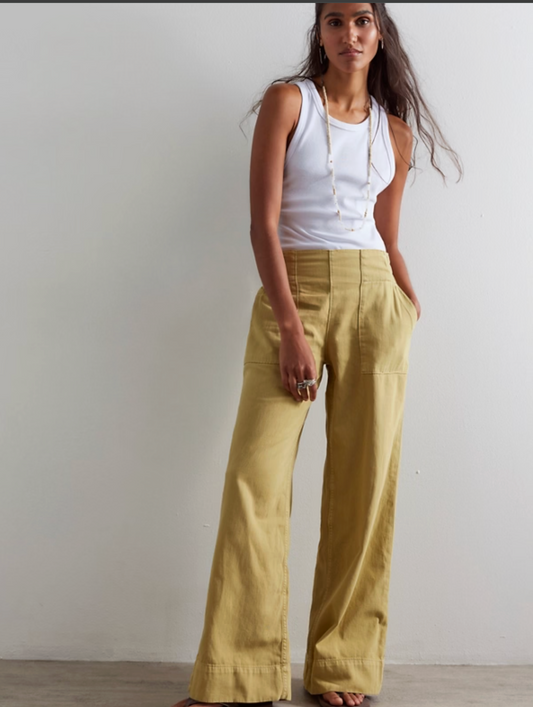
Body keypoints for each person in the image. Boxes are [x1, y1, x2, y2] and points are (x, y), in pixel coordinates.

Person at [172, 4, 462, 707]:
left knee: (365, 485)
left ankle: (342, 667)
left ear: (379, 34)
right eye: (334, 21)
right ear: (320, 33)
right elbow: (262, 224)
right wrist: (289, 327)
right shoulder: (288, 102)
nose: (348, 33)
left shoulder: (395, 133)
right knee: (254, 478)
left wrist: (405, 299)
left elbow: (386, 235)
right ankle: (238, 677)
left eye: (361, 20)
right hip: (292, 297)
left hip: (375, 302)